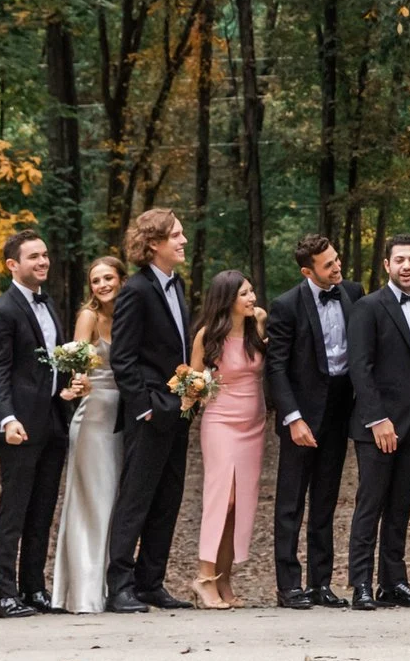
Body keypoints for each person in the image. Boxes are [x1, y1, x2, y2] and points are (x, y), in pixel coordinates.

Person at [0, 231, 80, 618]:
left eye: (45, 255)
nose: (43, 262)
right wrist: (7, 418)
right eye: (33, 257)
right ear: (12, 265)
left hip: (54, 420)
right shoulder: (1, 312)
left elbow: (51, 364)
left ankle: (34, 588)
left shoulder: (49, 304)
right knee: (14, 511)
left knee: (42, 510)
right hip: (18, 425)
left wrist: (70, 385)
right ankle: (5, 595)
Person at [348, 234, 410, 608]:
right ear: (387, 265)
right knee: (370, 505)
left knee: (401, 507)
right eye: (399, 260)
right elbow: (360, 367)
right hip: (378, 426)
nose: (406, 266)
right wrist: (377, 419)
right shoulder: (368, 307)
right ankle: (360, 584)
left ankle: (394, 583)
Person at [264, 233, 361, 610]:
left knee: (326, 500)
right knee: (290, 504)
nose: (337, 267)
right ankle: (289, 585)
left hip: (340, 410)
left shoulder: (352, 291)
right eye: (328, 265)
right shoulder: (286, 305)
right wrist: (293, 418)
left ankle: (321, 583)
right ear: (308, 271)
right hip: (300, 415)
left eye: (337, 259)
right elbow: (276, 367)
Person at [105, 209, 195, 612]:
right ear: (154, 243)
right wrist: (144, 408)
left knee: (168, 498)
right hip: (150, 412)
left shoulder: (177, 287)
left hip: (179, 409)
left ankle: (150, 582)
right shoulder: (136, 290)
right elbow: (122, 358)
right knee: (136, 499)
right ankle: (120, 585)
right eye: (176, 235)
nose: (183, 241)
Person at [192, 269, 270, 608]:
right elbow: (193, 382)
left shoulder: (257, 326)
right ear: (228, 300)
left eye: (252, 292)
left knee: (240, 505)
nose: (252, 298)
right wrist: (191, 391)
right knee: (222, 498)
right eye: (244, 294)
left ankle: (224, 581)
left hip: (254, 424)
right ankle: (203, 577)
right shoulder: (208, 335)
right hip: (221, 422)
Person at [53, 255, 125, 614]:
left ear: (121, 279)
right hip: (94, 416)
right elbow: (77, 371)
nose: (102, 285)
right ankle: (84, 592)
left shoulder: (128, 315)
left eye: (108, 277)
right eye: (96, 280)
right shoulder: (89, 318)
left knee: (114, 503)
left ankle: (114, 585)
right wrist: (76, 385)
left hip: (123, 418)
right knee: (91, 501)